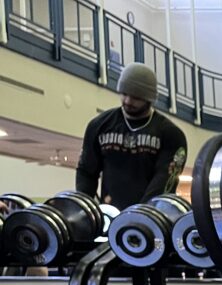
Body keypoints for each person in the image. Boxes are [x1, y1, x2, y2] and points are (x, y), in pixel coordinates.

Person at [75, 63, 187, 211]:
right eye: (124, 94)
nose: (128, 101)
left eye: (136, 97)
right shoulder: (99, 126)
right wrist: (86, 209)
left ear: (149, 98)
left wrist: (142, 214)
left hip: (151, 219)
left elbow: (163, 183)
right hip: (110, 215)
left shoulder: (170, 135)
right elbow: (86, 171)